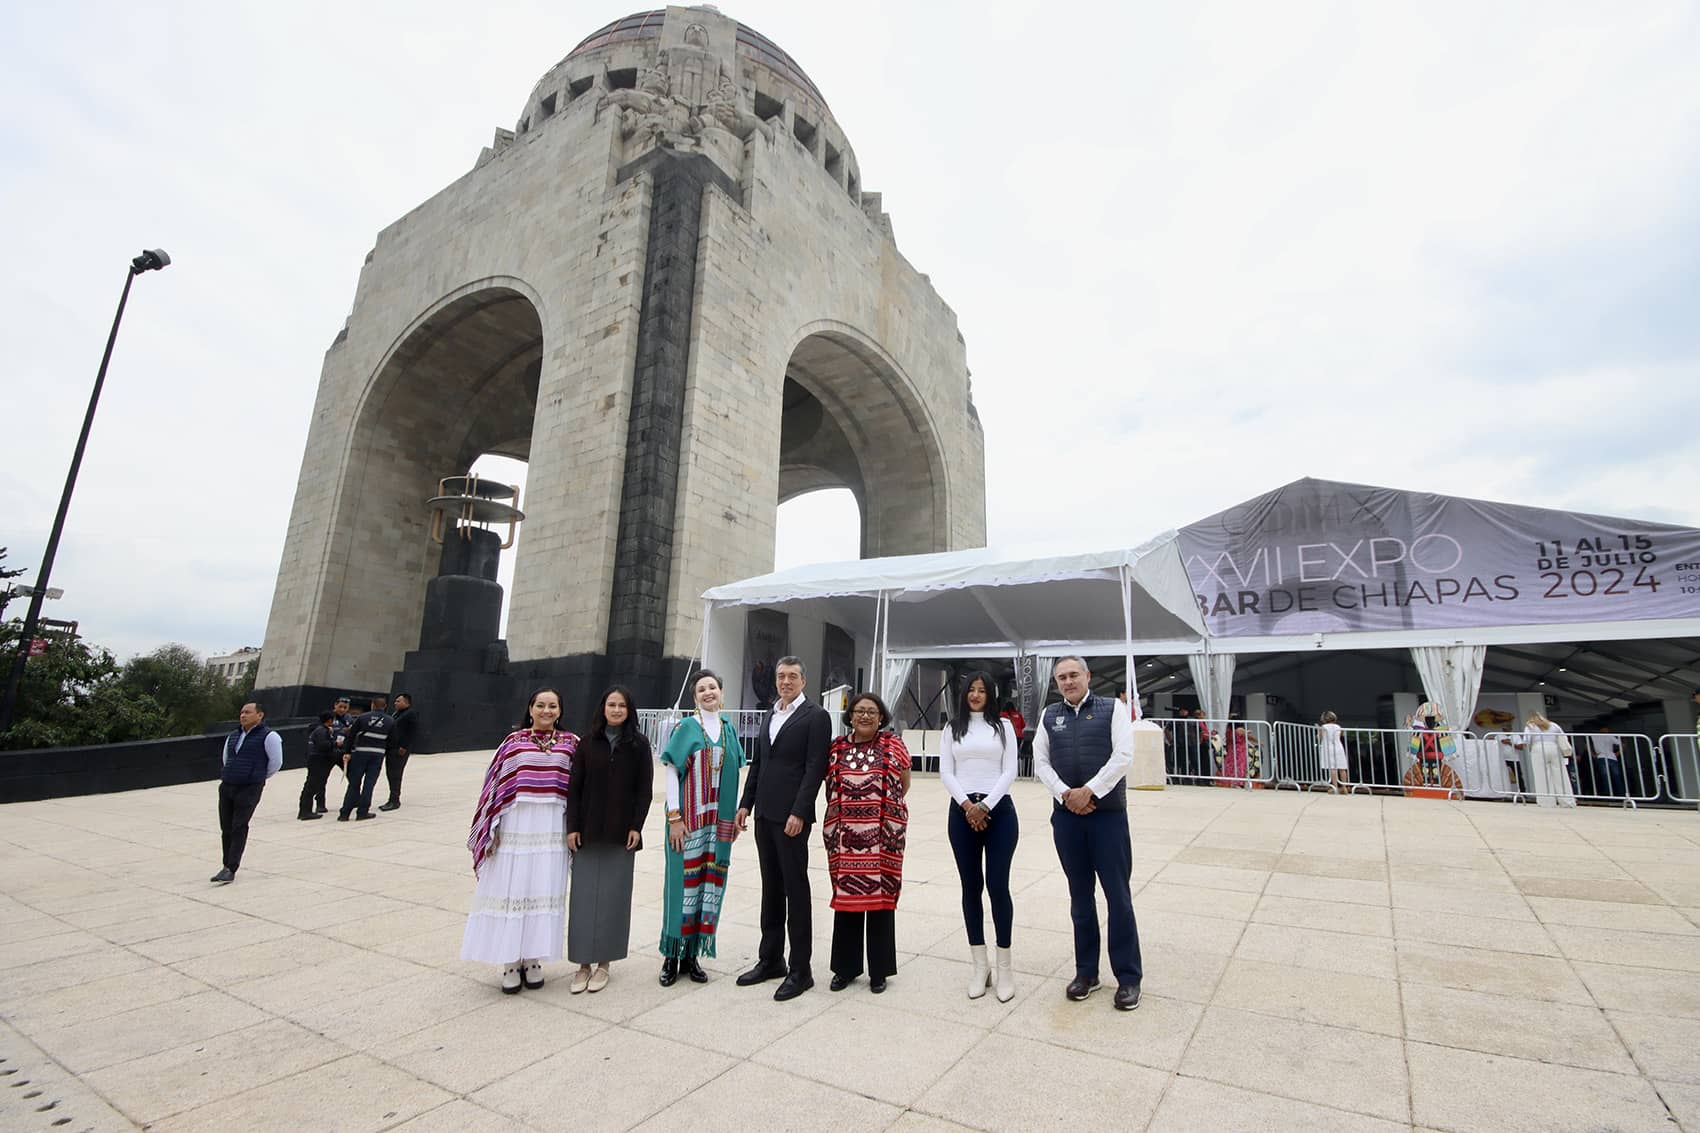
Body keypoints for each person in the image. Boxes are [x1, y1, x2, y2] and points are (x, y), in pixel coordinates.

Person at [1033, 656, 1143, 1011]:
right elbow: (1041, 762)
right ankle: (1087, 973)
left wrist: (1090, 791)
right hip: (1067, 819)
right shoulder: (1050, 715)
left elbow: (1124, 755)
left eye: (1073, 675)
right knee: (1080, 898)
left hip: (1107, 818)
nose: (1068, 681)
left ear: (1088, 676)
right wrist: (1067, 794)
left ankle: (1128, 978)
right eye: (1062, 677)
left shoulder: (1113, 709)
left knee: (1118, 898)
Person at [461, 688, 577, 993]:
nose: (547, 711)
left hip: (552, 826)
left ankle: (533, 958)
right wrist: (492, 826)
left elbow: (581, 786)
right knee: (513, 887)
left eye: (553, 706)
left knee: (543, 888)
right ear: (530, 709)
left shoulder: (570, 743)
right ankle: (510, 961)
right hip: (516, 826)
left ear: (560, 711)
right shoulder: (513, 743)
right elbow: (495, 784)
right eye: (541, 705)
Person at [736, 655, 830, 1001]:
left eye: (792, 676)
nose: (786, 682)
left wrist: (801, 811)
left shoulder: (815, 717)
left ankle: (800, 970)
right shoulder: (771, 714)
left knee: (796, 890)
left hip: (792, 818)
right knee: (771, 889)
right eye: (781, 676)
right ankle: (770, 959)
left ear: (804, 681)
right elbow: (759, 763)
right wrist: (746, 803)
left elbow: (814, 767)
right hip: (764, 815)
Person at [658, 670, 746, 986]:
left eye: (712, 687)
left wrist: (735, 814)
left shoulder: (728, 730)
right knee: (682, 887)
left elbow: (736, 771)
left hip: (717, 824)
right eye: (701, 689)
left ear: (721, 693)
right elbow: (671, 771)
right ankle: (672, 955)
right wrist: (675, 818)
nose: (708, 692)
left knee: (710, 885)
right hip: (688, 823)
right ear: (695, 697)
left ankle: (692, 955)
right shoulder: (687, 727)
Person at [565, 685, 655, 993]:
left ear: (630, 711)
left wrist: (636, 826)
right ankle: (582, 964)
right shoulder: (587, 743)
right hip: (588, 831)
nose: (616, 710)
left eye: (622, 706)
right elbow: (574, 788)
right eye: (611, 704)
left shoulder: (639, 745)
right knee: (583, 899)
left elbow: (644, 790)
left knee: (614, 900)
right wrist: (572, 827)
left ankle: (604, 963)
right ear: (602, 708)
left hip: (621, 834)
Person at [823, 692, 911, 994]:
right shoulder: (836, 747)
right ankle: (845, 969)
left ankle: (879, 971)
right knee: (847, 902)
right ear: (850, 716)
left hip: (884, 838)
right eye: (859, 711)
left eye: (871, 712)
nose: (864, 716)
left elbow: (904, 784)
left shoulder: (893, 745)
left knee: (881, 903)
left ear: (881, 717)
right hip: (844, 838)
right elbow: (828, 788)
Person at [940, 672, 1019, 1001]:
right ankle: (979, 965)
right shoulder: (951, 728)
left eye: (981, 690)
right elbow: (946, 771)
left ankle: (1005, 968)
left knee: (998, 886)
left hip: (998, 811)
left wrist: (984, 805)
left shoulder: (1004, 727)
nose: (975, 695)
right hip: (961, 812)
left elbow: (1009, 770)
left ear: (991, 694)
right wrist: (967, 806)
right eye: (970, 690)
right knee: (971, 887)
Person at [212, 700, 284, 883]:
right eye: (242, 712)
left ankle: (231, 867)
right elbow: (226, 758)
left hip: (249, 787)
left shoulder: (270, 736)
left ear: (260, 715)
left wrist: (256, 777)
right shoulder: (233, 735)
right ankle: (225, 864)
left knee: (239, 826)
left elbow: (276, 763)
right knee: (226, 828)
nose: (243, 715)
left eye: (248, 712)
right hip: (228, 785)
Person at [338, 694, 396, 821]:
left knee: (354, 784)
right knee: (369, 784)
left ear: (372, 705)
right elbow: (392, 741)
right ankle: (362, 812)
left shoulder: (362, 717)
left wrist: (347, 752)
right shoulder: (390, 721)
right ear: (385, 706)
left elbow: (351, 735)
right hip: (377, 755)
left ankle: (344, 813)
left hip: (360, 753)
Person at [1518, 712, 1576, 808]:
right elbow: (1562, 737)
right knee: (1561, 776)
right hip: (1554, 748)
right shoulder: (1553, 725)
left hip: (1538, 749)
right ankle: (1567, 801)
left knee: (1542, 776)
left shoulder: (1530, 726)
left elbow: (1526, 741)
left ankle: (1546, 802)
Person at [380, 692, 417, 811]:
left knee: (395, 774)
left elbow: (412, 732)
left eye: (398, 701)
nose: (395, 703)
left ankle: (394, 800)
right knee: (390, 774)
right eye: (395, 701)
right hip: (391, 748)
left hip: (399, 750)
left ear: (407, 703)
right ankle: (392, 798)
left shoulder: (410, 714)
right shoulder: (396, 714)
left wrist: (404, 747)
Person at [297, 711, 338, 821]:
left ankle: (305, 811)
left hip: (315, 759)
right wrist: (335, 743)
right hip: (318, 760)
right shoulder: (321, 731)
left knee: (311, 785)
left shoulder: (320, 729)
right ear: (329, 720)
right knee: (311, 786)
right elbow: (323, 745)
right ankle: (305, 812)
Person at [1588, 727, 1625, 798]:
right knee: (1615, 777)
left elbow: (1587, 744)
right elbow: (1622, 744)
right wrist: (1617, 753)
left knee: (1606, 777)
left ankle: (1609, 795)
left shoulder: (1595, 736)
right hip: (1611, 758)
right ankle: (1620, 795)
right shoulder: (1609, 736)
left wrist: (1593, 755)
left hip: (1602, 757)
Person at [1318, 710, 1348, 793]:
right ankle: (1344, 787)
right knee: (1342, 767)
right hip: (1338, 747)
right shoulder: (1338, 726)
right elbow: (1341, 735)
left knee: (1332, 768)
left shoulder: (1323, 727)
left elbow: (1320, 737)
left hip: (1328, 747)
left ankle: (1335, 787)